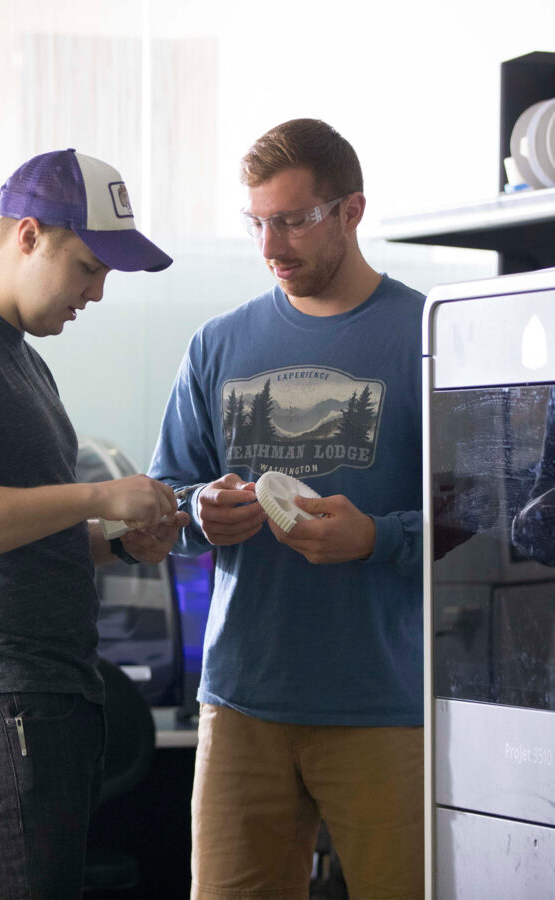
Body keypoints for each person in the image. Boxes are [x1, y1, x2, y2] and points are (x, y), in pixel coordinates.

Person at [148, 119, 425, 899]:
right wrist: (200, 512)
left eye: (294, 220)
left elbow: (485, 522)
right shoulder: (216, 345)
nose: (272, 246)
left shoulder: (427, 336)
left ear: (351, 211)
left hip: (385, 703)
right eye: (257, 222)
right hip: (243, 703)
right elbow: (161, 500)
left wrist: (378, 537)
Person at [0, 147, 189, 899]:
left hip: (51, 700)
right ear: (28, 236)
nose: (95, 295)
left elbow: (22, 536)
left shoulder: (24, 358)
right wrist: (98, 498)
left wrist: (118, 542)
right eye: (88, 268)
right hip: (4, 704)